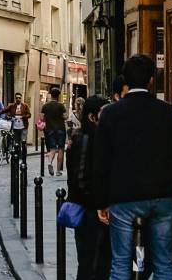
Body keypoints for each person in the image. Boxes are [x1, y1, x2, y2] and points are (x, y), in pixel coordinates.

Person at [93, 54, 172, 280]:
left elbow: (100, 160)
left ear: (125, 81)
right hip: (162, 195)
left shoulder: (111, 114)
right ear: (150, 80)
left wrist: (101, 200)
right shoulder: (167, 112)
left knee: (120, 264)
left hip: (124, 197)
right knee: (164, 264)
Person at [68, 95, 111, 280]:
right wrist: (98, 204)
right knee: (90, 263)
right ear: (92, 117)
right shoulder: (84, 140)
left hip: (95, 208)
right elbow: (80, 179)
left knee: (99, 263)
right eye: (104, 114)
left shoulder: (94, 139)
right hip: (90, 211)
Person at [41, 87, 69, 176]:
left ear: (50, 95)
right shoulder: (61, 105)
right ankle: (58, 171)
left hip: (49, 129)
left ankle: (49, 163)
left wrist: (48, 118)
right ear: (58, 96)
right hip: (60, 128)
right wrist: (63, 116)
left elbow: (41, 118)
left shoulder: (45, 106)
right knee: (61, 149)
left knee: (52, 148)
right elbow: (65, 117)